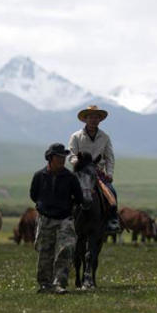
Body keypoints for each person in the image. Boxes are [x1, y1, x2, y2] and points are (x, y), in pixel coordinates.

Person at [30, 143, 85, 294]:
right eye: (59, 157)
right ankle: (45, 284)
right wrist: (44, 206)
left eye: (63, 157)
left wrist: (67, 208)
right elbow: (34, 195)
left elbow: (79, 198)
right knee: (45, 252)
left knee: (65, 250)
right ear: (50, 158)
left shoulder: (70, 177)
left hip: (65, 219)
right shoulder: (39, 176)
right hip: (46, 219)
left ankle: (59, 283)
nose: (62, 160)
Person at [69, 105, 121, 233]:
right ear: (85, 119)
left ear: (100, 120)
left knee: (112, 192)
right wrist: (80, 164)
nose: (93, 119)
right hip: (80, 172)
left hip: (97, 173)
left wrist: (109, 173)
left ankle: (112, 220)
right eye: (91, 117)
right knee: (65, 193)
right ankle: (63, 219)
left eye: (96, 117)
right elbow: (71, 155)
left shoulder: (105, 137)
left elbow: (109, 157)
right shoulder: (76, 136)